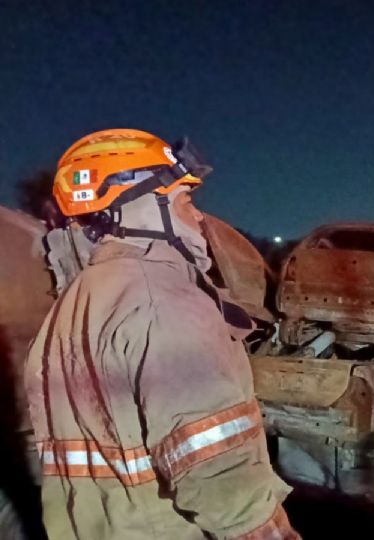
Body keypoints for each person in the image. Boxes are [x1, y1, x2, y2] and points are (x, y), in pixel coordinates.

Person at [24, 129, 299, 539]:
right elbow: (217, 473)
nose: (200, 216)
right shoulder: (161, 301)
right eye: (184, 200)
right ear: (134, 207)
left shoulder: (79, 297)